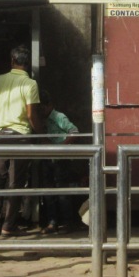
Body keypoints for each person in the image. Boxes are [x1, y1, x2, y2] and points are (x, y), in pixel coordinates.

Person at [0, 45, 44, 237]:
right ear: (28, 65)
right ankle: (8, 227)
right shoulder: (31, 84)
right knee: (15, 183)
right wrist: (41, 133)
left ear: (12, 61)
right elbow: (31, 114)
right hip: (20, 137)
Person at [36, 90, 80, 234]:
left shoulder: (58, 117)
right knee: (48, 191)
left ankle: (68, 222)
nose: (41, 111)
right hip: (47, 158)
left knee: (62, 192)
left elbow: (74, 131)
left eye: (43, 107)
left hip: (61, 159)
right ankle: (52, 222)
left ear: (49, 105)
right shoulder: (40, 120)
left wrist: (61, 148)